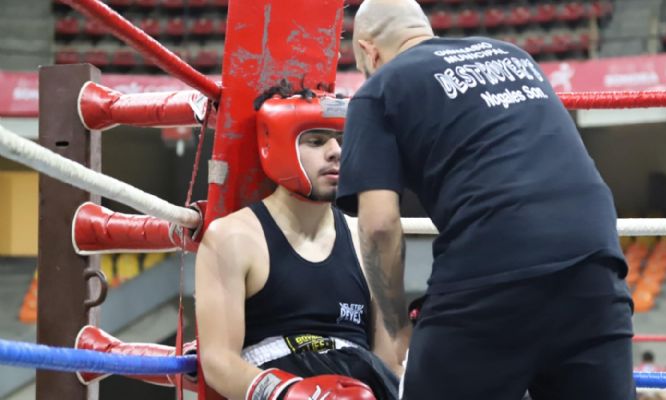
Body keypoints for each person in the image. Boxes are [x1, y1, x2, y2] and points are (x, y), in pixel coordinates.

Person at [335, 0, 636, 399]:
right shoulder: (515, 56)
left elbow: (377, 225)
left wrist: (397, 328)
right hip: (597, 262)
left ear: (368, 50)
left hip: (492, 270)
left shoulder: (380, 88)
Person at [76, 90, 400, 400]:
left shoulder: (370, 240)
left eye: (343, 141)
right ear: (282, 147)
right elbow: (218, 361)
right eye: (315, 141)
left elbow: (388, 363)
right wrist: (283, 392)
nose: (336, 152)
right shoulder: (234, 238)